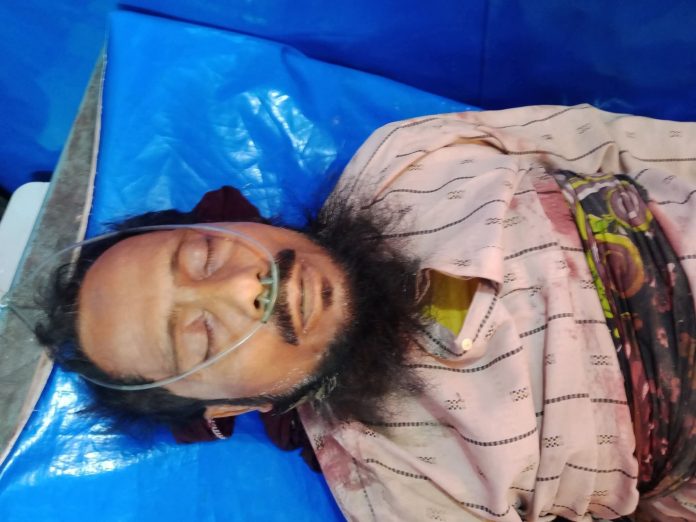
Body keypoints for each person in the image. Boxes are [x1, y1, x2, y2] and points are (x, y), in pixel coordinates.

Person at [36, 104, 696, 521]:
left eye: (205, 257)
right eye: (200, 334)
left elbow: (616, 142)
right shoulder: (403, 495)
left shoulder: (409, 160)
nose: (244, 290)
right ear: (233, 407)